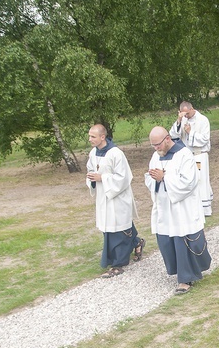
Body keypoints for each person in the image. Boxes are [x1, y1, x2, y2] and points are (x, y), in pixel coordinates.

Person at [145, 126, 212, 294]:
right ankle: (180, 272)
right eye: (153, 145)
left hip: (182, 207)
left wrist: (165, 178)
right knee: (167, 240)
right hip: (164, 207)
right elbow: (150, 176)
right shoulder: (155, 156)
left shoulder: (184, 155)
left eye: (158, 145)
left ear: (167, 139)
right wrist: (155, 178)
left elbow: (189, 181)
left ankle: (185, 279)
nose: (156, 148)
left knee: (184, 240)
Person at [86, 124, 145, 278]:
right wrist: (92, 178)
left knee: (119, 229)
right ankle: (136, 242)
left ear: (102, 137)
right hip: (103, 196)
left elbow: (124, 177)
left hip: (117, 196)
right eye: (89, 136)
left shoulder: (115, 154)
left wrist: (102, 178)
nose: (90, 139)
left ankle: (118, 264)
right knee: (112, 226)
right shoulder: (93, 153)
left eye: (93, 136)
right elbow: (91, 168)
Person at [169, 101, 213, 216]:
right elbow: (173, 135)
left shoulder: (203, 120)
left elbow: (204, 139)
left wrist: (190, 132)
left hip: (200, 154)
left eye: (187, 113)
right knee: (189, 180)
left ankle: (204, 209)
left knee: (201, 180)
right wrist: (179, 121)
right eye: (184, 114)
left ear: (192, 108)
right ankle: (192, 206)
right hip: (188, 156)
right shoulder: (183, 120)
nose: (186, 116)